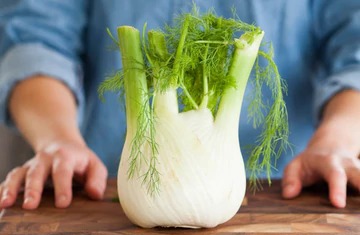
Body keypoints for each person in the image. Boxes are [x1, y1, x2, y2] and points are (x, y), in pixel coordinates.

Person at [0, 0, 359, 210]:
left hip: (290, 186)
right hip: (94, 189)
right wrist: (57, 139)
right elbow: (34, 40)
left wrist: (337, 140)